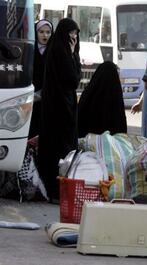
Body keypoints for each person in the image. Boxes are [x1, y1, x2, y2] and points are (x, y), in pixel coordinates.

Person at [37, 18, 81, 201]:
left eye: (76, 33)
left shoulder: (57, 49)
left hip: (57, 108)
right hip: (60, 110)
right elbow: (73, 79)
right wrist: (72, 55)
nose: (73, 37)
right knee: (61, 149)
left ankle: (55, 190)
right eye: (71, 33)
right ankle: (57, 191)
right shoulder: (61, 51)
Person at [78, 61, 127, 138]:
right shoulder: (115, 95)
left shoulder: (89, 93)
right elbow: (120, 124)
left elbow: (80, 116)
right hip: (110, 144)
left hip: (88, 141)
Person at [29, 19, 53, 139]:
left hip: (47, 95)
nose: (45, 35)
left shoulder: (54, 51)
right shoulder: (30, 49)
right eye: (41, 32)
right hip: (30, 94)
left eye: (48, 32)